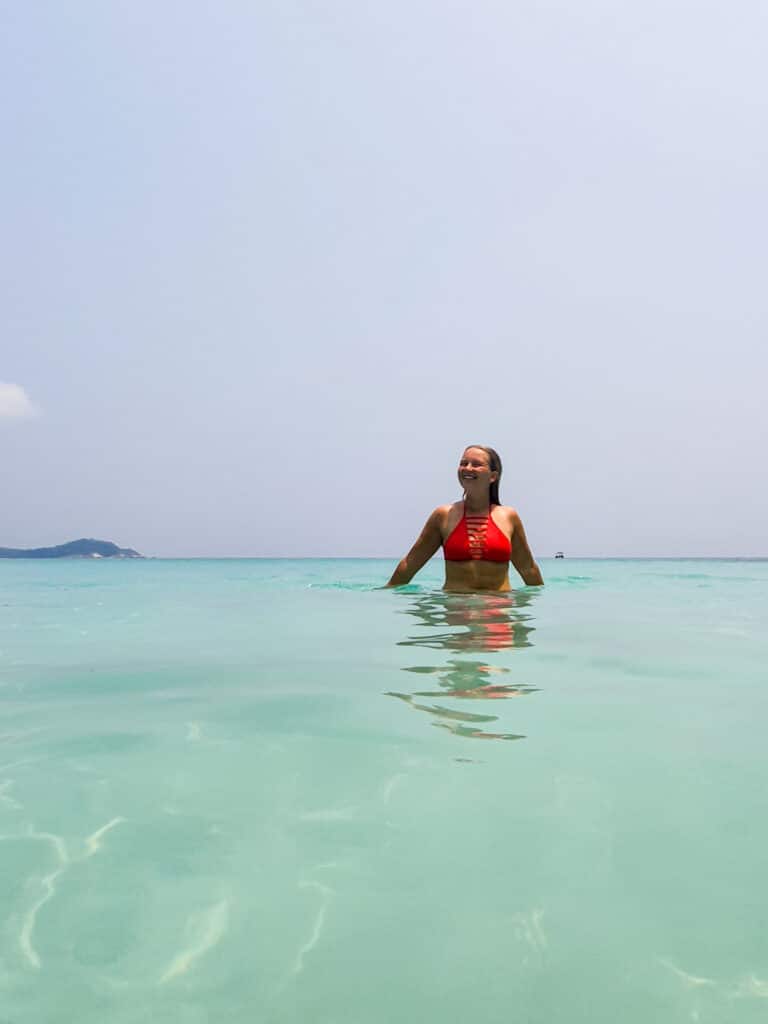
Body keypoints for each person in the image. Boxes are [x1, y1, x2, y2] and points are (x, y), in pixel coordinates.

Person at [387, 445, 544, 591]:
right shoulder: (443, 516)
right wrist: (385, 595)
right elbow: (410, 564)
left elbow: (528, 569)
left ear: (493, 476)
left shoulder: (508, 517)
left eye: (476, 464)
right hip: (456, 609)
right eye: (463, 463)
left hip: (498, 610)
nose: (467, 468)